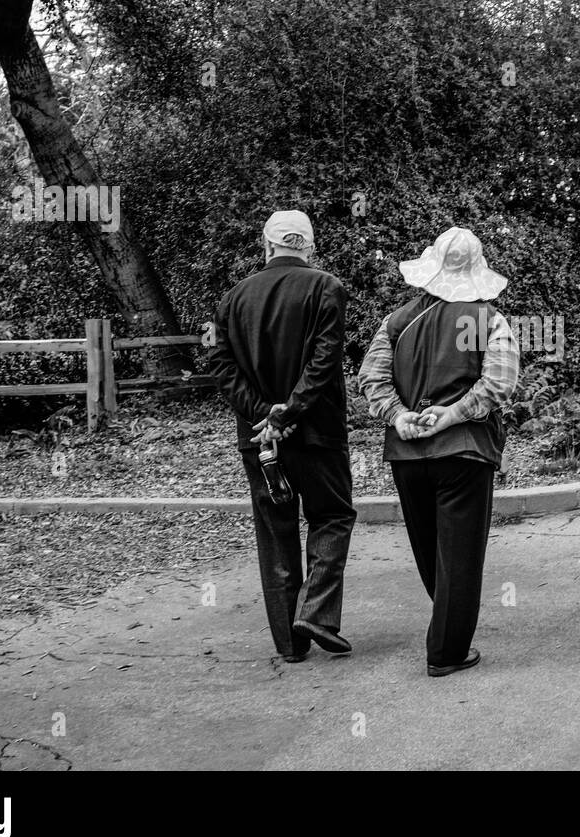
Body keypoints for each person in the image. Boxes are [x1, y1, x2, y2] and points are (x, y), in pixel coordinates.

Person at [358, 227, 520, 677]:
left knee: (430, 550)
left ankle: (446, 624)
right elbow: (499, 382)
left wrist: (398, 415)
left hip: (407, 456)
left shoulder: (396, 321)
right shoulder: (486, 320)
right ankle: (447, 651)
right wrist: (453, 414)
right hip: (464, 454)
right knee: (461, 555)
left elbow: (372, 378)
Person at [210, 209, 356, 663]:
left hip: (260, 439)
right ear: (309, 247)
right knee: (331, 516)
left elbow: (219, 363)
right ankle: (314, 613)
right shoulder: (326, 287)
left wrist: (263, 415)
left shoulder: (233, 298)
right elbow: (325, 358)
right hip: (316, 433)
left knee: (275, 531)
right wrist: (290, 411)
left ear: (266, 245)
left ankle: (290, 646)